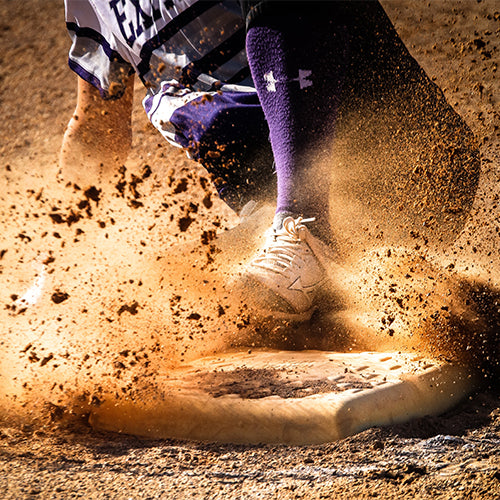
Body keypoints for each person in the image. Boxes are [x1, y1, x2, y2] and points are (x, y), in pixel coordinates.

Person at [62, 1, 479, 322]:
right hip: (265, 217)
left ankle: (308, 234)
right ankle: (319, 275)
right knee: (152, 300)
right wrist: (71, 258)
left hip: (411, 170)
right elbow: (98, 128)